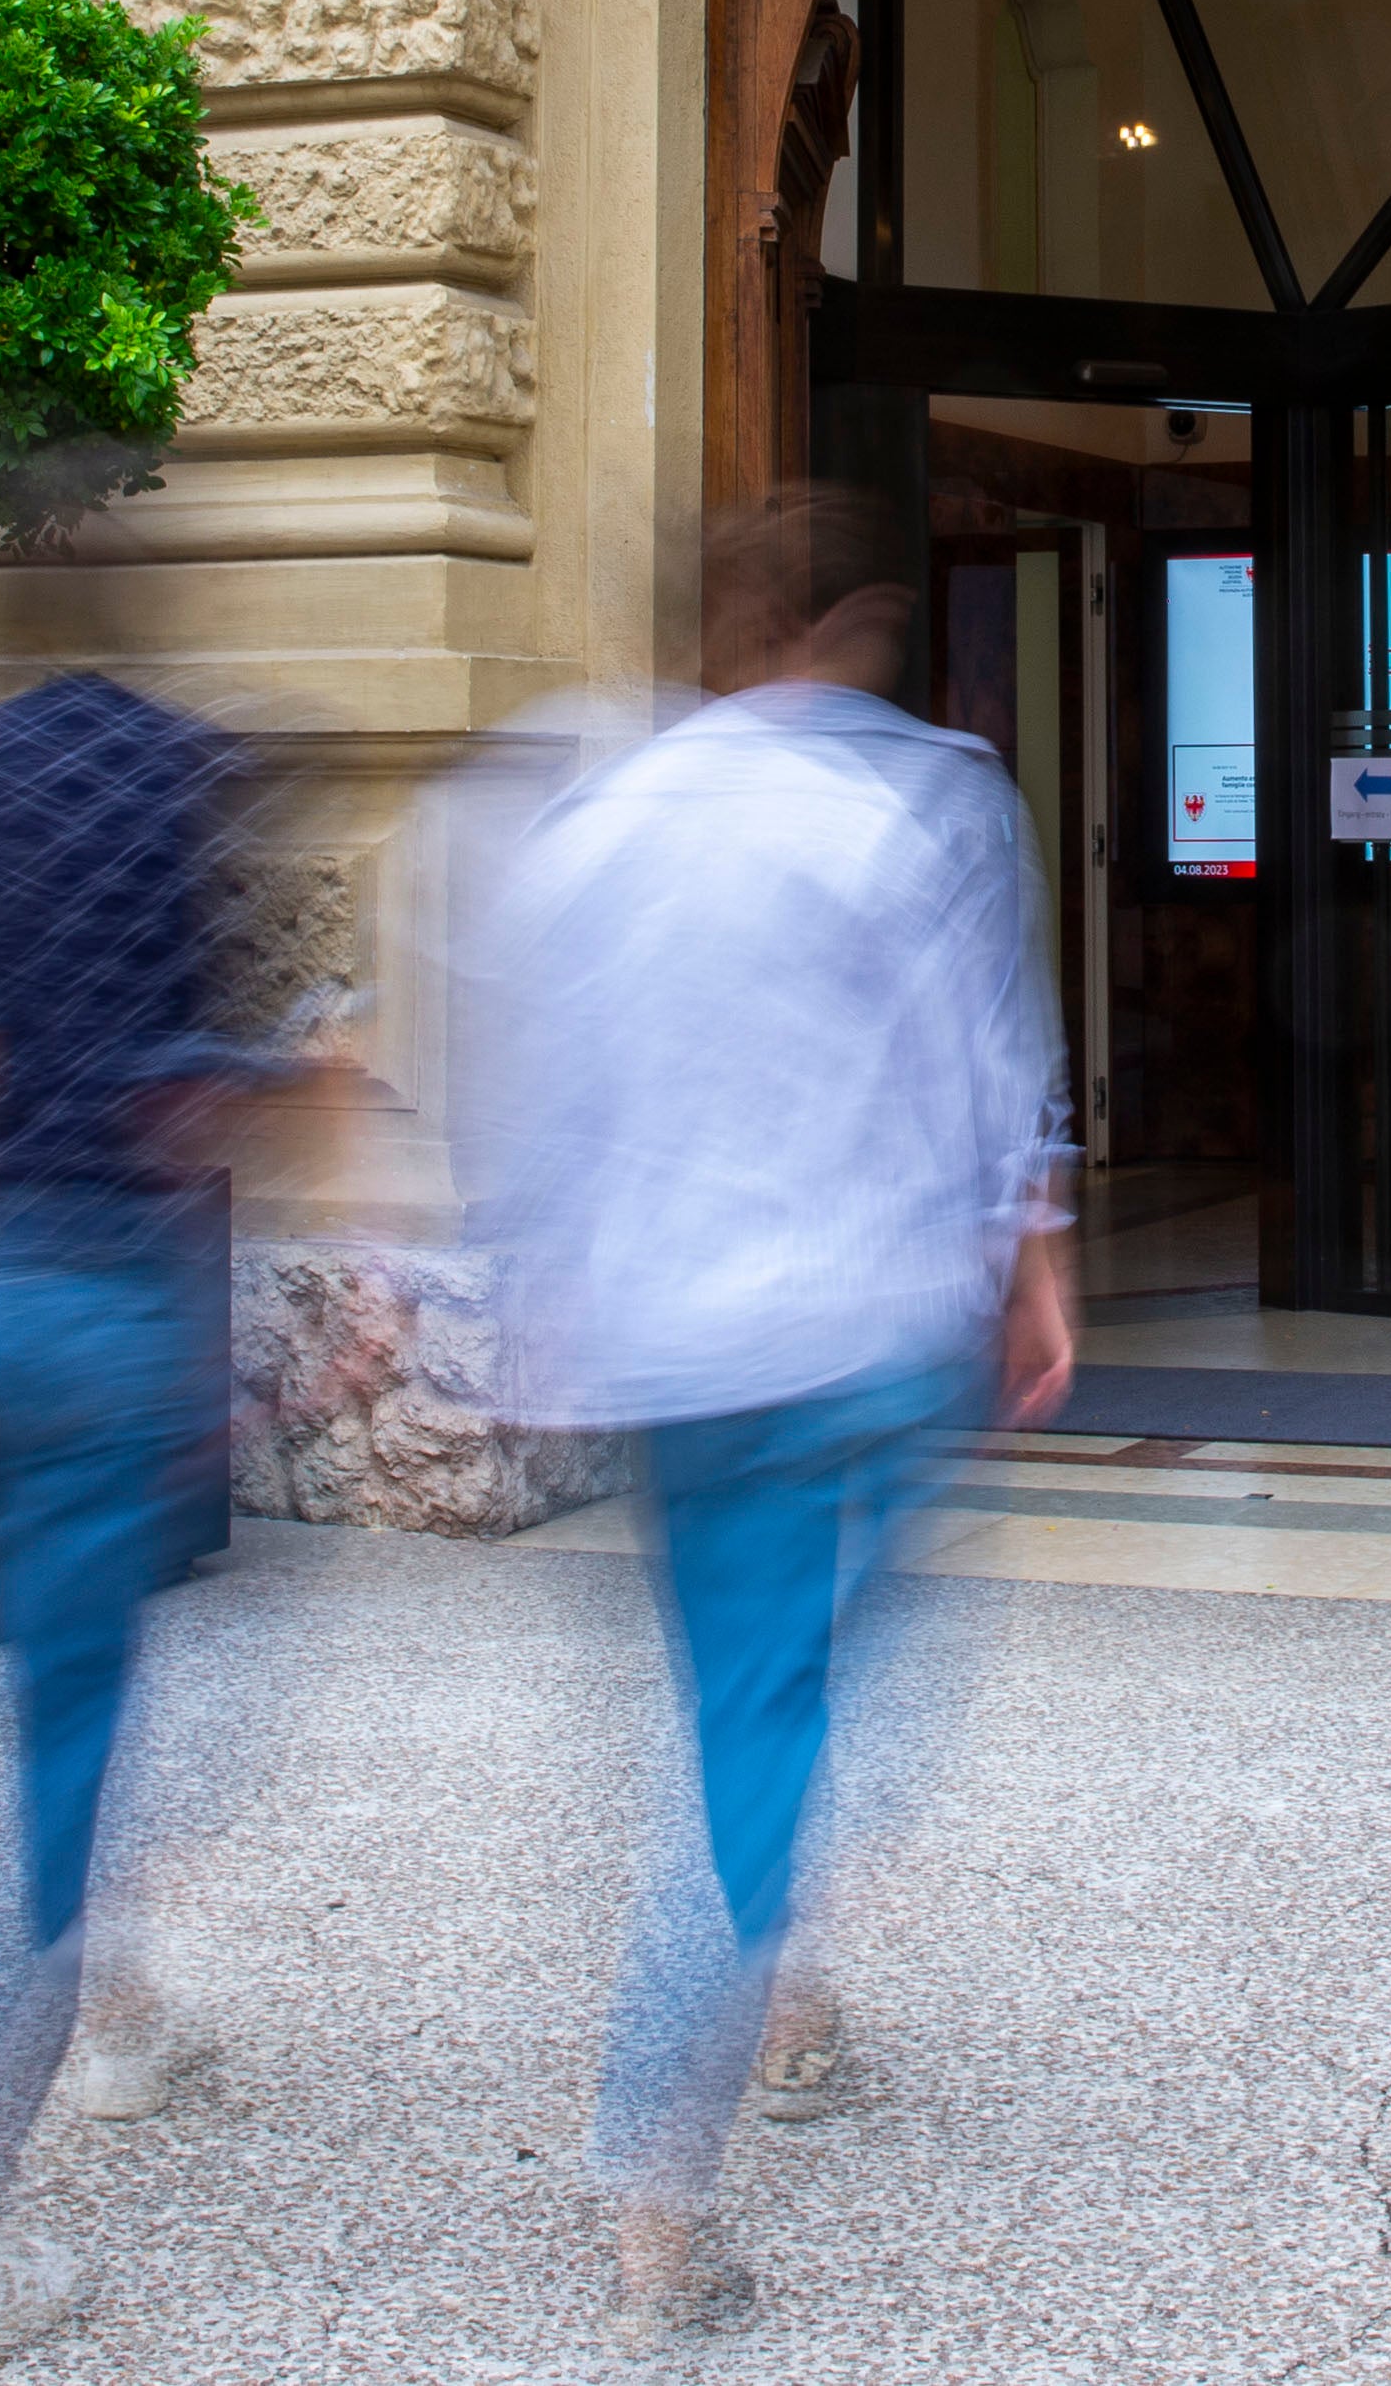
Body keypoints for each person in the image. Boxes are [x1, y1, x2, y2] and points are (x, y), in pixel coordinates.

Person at [460, 484, 1076, 2344]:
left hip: (676, 1355)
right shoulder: (927, 795)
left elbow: (533, 1086)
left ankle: (778, 1992)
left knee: (746, 1698)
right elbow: (993, 1058)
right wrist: (1036, 1264)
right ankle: (661, 2153)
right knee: (815, 1722)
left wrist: (535, 1297)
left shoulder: (602, 818)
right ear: (840, 625)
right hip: (864, 1337)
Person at [0, 674, 248, 2385]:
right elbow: (171, 1096)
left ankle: (117, 2008)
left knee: (63, 1714)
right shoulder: (174, 771)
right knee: (57, 1788)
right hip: (101, 1307)